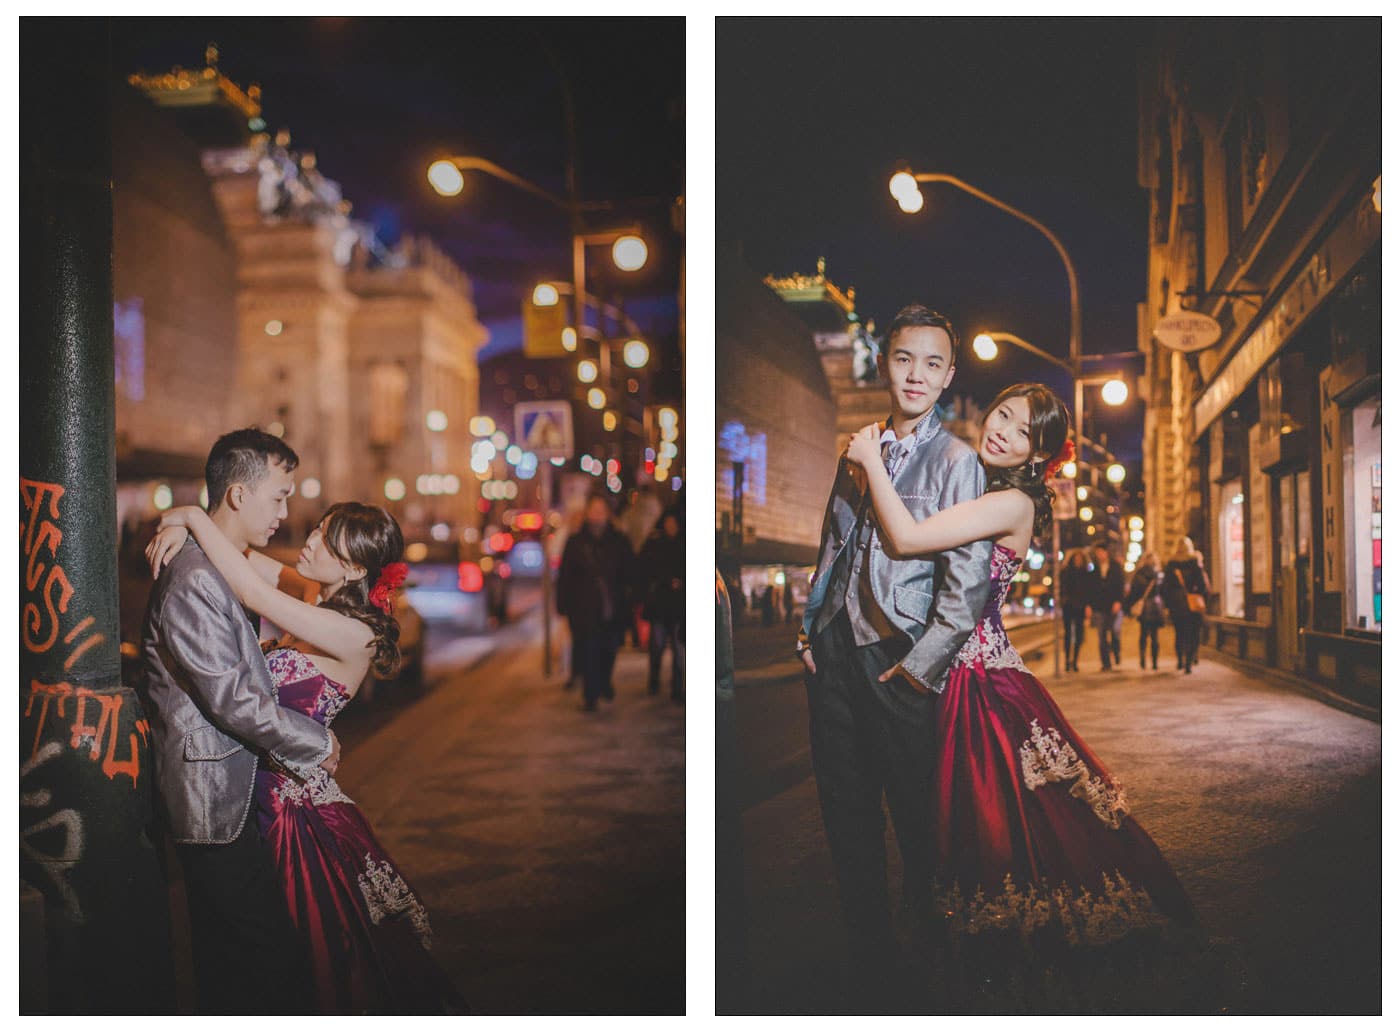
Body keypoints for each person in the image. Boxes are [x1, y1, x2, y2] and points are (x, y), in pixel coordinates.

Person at [847, 382, 1198, 1008]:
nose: (1003, 431)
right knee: (979, 819)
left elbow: (904, 538)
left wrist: (871, 460)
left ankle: (993, 955)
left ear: (1037, 455)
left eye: (1023, 432)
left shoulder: (1011, 502)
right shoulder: (978, 483)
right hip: (963, 672)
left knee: (997, 821)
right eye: (1002, 415)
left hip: (980, 683)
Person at [146, 463, 464, 1013]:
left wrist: (192, 513)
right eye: (317, 528)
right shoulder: (318, 599)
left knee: (298, 953)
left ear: (354, 566)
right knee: (256, 945)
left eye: (325, 538)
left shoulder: (352, 632)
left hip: (292, 809)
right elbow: (245, 558)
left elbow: (247, 586)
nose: (309, 538)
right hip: (257, 788)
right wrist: (182, 530)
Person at [798, 304, 993, 1006]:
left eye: (932, 364)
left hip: (901, 660)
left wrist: (921, 668)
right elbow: (832, 542)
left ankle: (933, 960)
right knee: (845, 814)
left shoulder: (957, 462)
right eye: (905, 359)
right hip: (836, 660)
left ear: (948, 377)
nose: (916, 374)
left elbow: (965, 584)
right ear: (885, 362)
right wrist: (809, 625)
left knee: (918, 821)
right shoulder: (860, 445)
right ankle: (871, 963)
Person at [138, 429, 334, 1014]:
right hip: (212, 798)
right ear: (239, 495)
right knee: (264, 955)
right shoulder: (195, 578)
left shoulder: (220, 563)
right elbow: (233, 702)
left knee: (232, 962)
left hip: (233, 787)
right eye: (278, 497)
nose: (285, 511)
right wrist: (316, 741)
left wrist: (187, 517)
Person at [557, 495, 634, 712]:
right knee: (588, 649)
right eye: (594, 510)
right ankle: (591, 694)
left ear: (607, 513)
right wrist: (562, 603)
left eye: (601, 510)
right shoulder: (576, 541)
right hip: (584, 607)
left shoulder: (619, 540)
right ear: (587, 513)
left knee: (609, 649)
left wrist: (631, 598)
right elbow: (565, 575)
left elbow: (629, 572)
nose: (597, 514)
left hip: (612, 606)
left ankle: (604, 681)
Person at [639, 508, 685, 702]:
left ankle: (676, 687)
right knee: (656, 647)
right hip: (659, 606)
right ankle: (654, 681)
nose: (670, 527)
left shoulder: (683, 545)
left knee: (677, 649)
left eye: (673, 524)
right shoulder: (655, 543)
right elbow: (644, 568)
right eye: (668, 523)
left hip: (677, 609)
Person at [1163, 537, 1211, 674]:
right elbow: (1202, 585)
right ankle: (1189, 662)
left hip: (1176, 604)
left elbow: (1166, 587)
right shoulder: (1194, 562)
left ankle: (1180, 660)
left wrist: (1168, 604)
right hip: (1192, 604)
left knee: (1180, 633)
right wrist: (1197, 594)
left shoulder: (1171, 563)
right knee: (1193, 633)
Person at [1088, 541, 1127, 672]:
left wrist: (1118, 602)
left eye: (1101, 552)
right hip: (1099, 607)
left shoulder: (1115, 567)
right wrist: (1090, 605)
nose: (1099, 555)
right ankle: (1106, 663)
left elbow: (1120, 585)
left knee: (1115, 632)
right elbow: (1091, 588)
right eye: (1097, 552)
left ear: (1106, 552)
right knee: (1102, 636)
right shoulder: (1094, 567)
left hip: (1113, 605)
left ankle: (1116, 652)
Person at [1125, 551, 1168, 669]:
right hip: (1155, 605)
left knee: (1144, 634)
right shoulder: (1159, 574)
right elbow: (1164, 591)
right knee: (1154, 636)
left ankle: (1143, 659)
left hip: (1144, 607)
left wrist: (1128, 607)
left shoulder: (1140, 573)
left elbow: (1134, 591)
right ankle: (1154, 662)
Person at [1058, 548, 1092, 671]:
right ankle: (1067, 660)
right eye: (1076, 558)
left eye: (1080, 559)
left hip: (1081, 606)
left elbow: (1089, 591)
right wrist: (1063, 600)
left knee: (1079, 635)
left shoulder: (1086, 573)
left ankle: (1075, 661)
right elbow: (1061, 588)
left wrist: (1088, 606)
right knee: (1067, 634)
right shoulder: (1066, 572)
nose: (1078, 561)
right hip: (1068, 606)